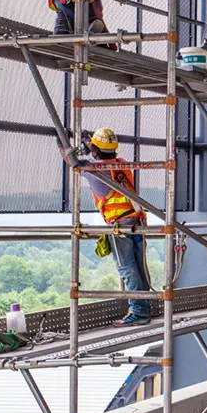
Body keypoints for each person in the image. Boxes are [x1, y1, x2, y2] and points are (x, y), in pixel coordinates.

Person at [62, 127, 153, 327]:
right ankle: (144, 307)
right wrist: (89, 142)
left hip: (120, 225)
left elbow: (72, 161)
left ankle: (139, 312)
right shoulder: (120, 164)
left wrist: (62, 142)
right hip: (137, 219)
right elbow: (99, 156)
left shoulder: (95, 171)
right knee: (139, 266)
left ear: (95, 150)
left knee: (128, 268)